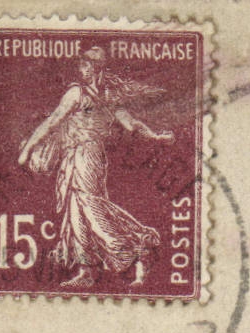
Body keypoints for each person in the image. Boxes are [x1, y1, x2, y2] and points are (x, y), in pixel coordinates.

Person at [16, 47, 175, 287]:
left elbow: (53, 122)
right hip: (77, 156)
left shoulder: (83, 94)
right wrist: (156, 136)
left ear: (95, 68)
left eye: (85, 66)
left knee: (90, 207)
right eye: (81, 65)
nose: (81, 70)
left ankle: (139, 244)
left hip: (87, 155)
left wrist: (27, 150)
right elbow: (130, 124)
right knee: (76, 211)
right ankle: (87, 270)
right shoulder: (101, 95)